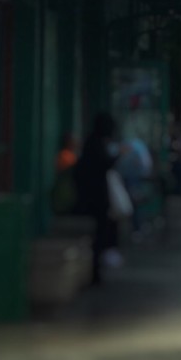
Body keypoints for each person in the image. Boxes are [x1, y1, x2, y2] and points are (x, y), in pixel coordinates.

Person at [72, 112, 120, 283]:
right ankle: (94, 272)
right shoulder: (96, 144)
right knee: (98, 234)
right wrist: (118, 155)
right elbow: (104, 164)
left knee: (99, 233)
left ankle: (95, 269)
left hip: (92, 194)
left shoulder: (93, 142)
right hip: (95, 196)